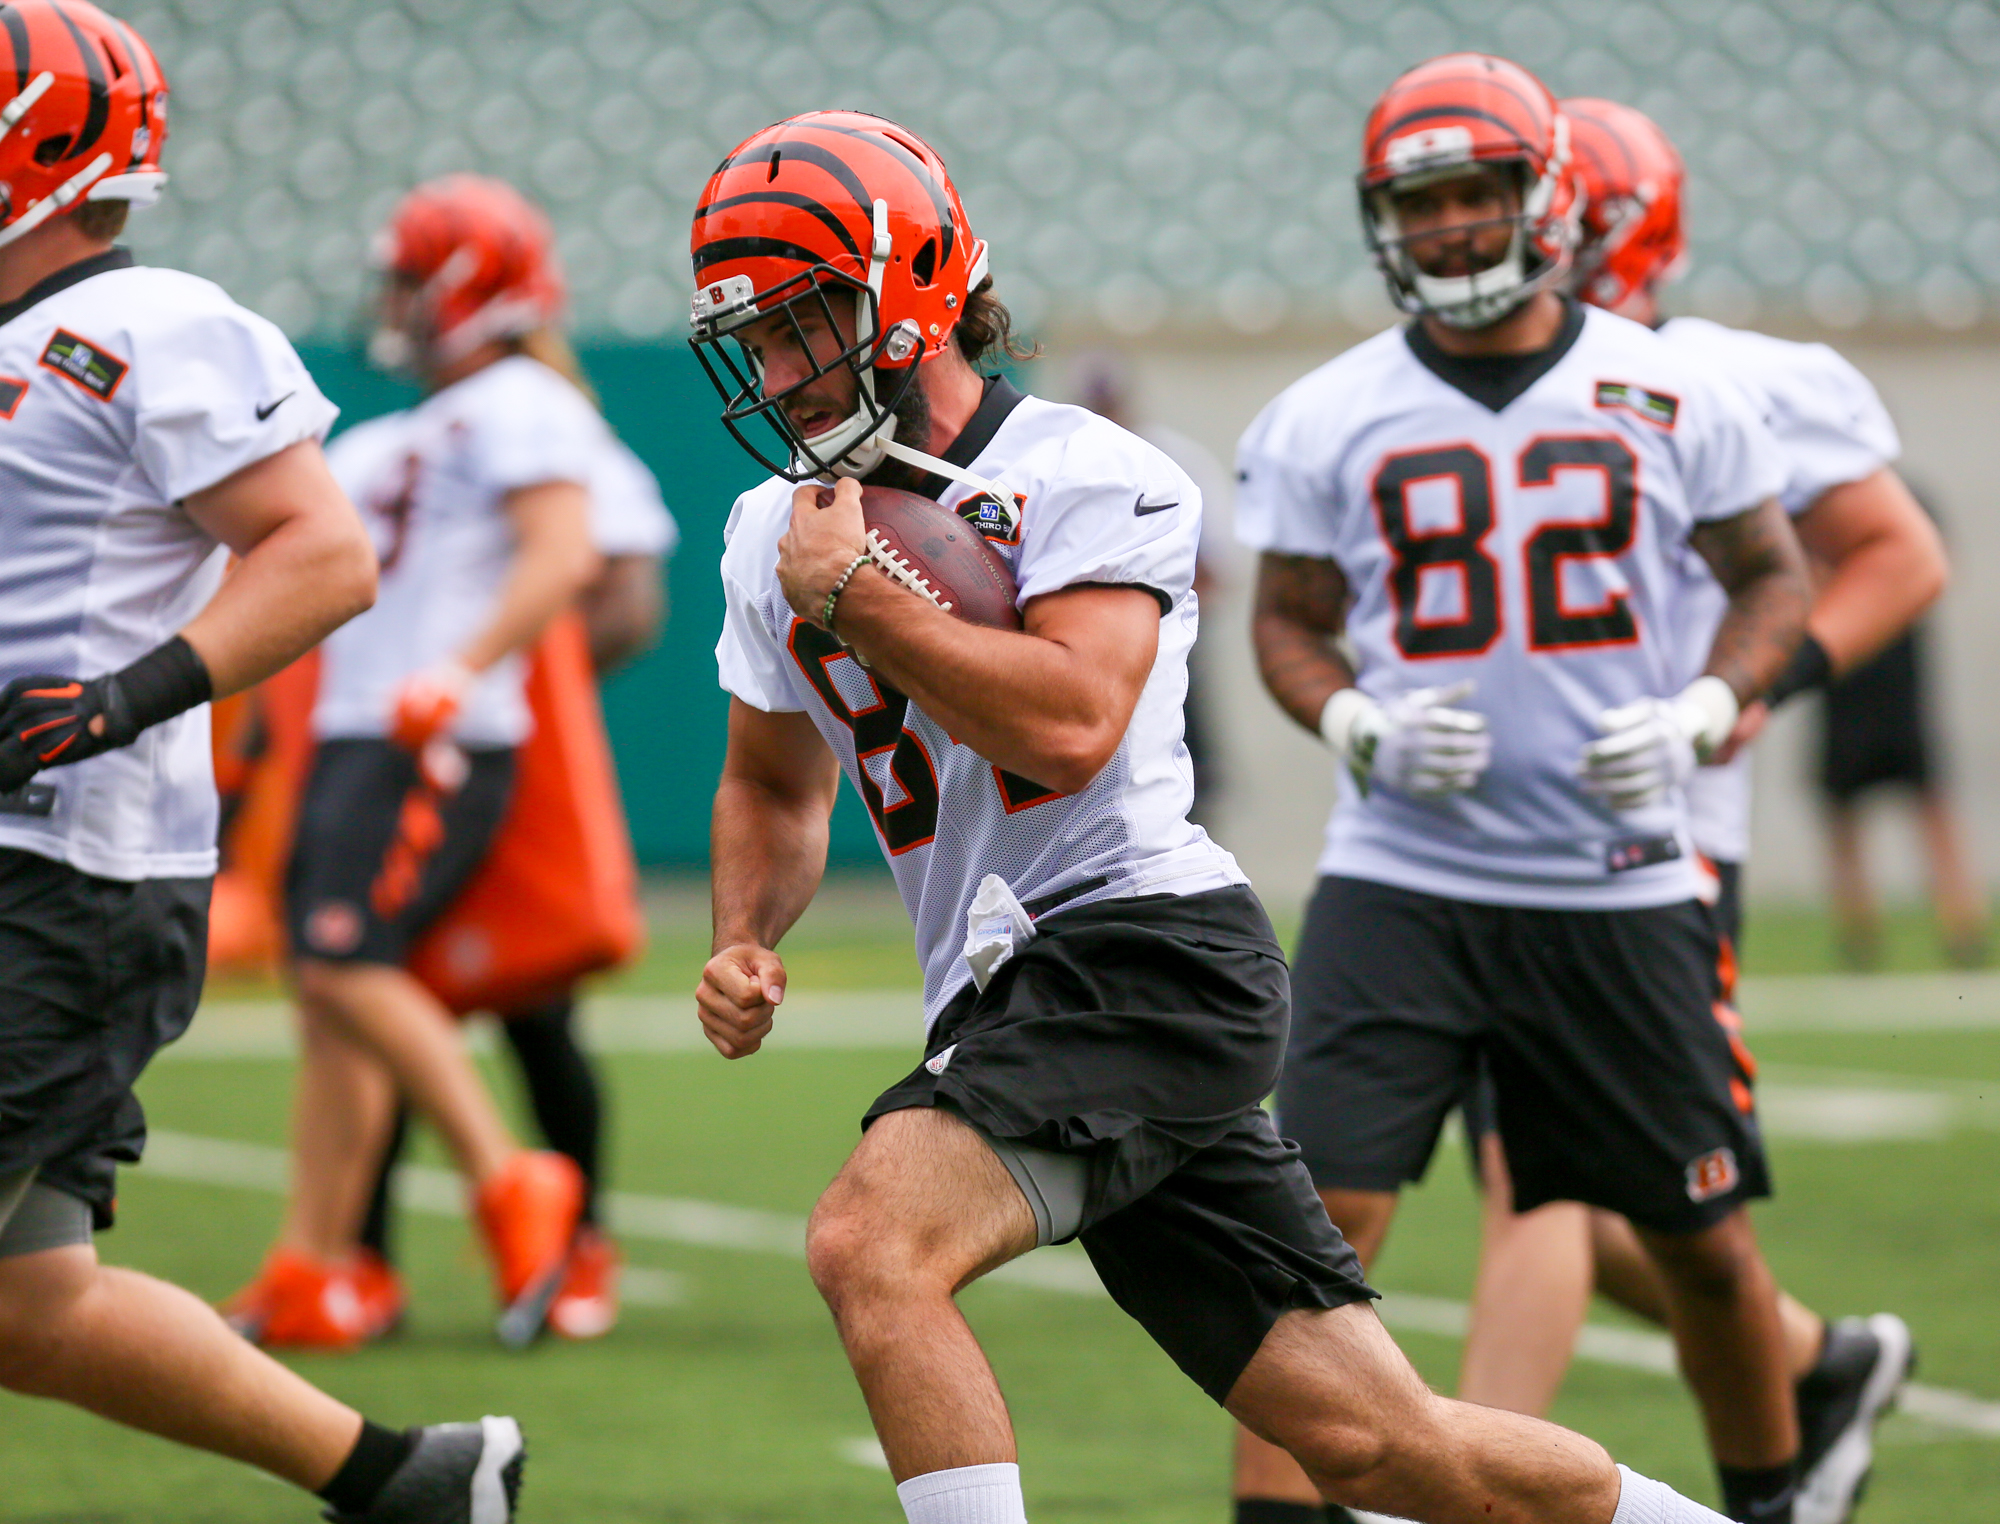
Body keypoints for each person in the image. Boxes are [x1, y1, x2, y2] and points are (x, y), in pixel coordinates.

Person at [692, 106, 1747, 1524]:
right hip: (1016, 997)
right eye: (755, 338)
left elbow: (1068, 727)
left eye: (804, 321)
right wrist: (745, 931)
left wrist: (862, 595)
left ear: (912, 290)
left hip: (1142, 956)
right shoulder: (773, 530)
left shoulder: (1087, 470)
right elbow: (772, 778)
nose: (777, 370)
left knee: (870, 1239)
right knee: (1386, 1448)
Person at [1229, 56, 1818, 1524]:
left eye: (1475, 193)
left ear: (1541, 198)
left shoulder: (1674, 387)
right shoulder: (1326, 413)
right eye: (1419, 203)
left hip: (1616, 881)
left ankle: (1778, 1500)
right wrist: (1353, 721)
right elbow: (1288, 620)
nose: (1447, 228)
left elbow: (1774, 577)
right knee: (1308, 1229)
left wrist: (1705, 707)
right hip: (1401, 875)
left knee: (1698, 1242)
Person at [0, 7, 524, 1518]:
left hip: (63, 867)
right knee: (32, 1304)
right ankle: (409, 1483)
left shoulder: (153, 322)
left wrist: (125, 696)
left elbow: (321, 550)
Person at [1452, 97, 1943, 1524]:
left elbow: (1894, 555)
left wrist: (1732, 697)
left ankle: (1453, 1486)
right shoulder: (1476, 381)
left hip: (1652, 842)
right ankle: (1815, 1363)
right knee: (1620, 1196)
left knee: (1537, 1186)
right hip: (1501, 831)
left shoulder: (1722, 377)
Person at [223, 175, 603, 1352]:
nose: (391, 300)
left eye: (408, 276)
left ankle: (510, 1177)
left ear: (468, 282)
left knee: (339, 967)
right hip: (353, 727)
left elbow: (564, 554)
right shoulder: (403, 426)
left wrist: (466, 663)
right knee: (328, 999)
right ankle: (314, 1264)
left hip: (423, 729)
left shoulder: (521, 401)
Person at [353, 428, 678, 1342]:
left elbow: (631, 604)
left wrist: (518, 671)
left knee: (535, 1003)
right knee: (375, 991)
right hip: (399, 745)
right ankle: (357, 1258)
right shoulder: (402, 442)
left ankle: (577, 1247)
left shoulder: (539, 424)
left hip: (506, 757)